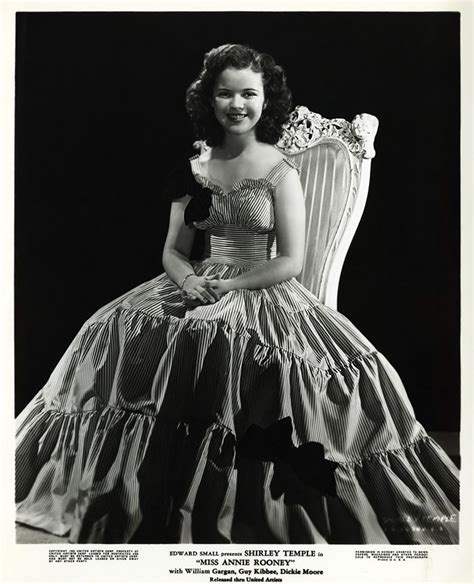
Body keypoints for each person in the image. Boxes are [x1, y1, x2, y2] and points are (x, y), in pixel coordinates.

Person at [16, 43, 459, 544]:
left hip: (261, 284)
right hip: (196, 280)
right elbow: (173, 250)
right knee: (113, 326)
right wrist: (190, 282)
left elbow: (290, 259)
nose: (237, 104)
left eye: (248, 93)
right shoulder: (194, 165)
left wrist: (229, 286)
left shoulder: (279, 169)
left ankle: (229, 499)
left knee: (219, 336)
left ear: (266, 100)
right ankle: (120, 487)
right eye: (225, 93)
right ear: (209, 100)